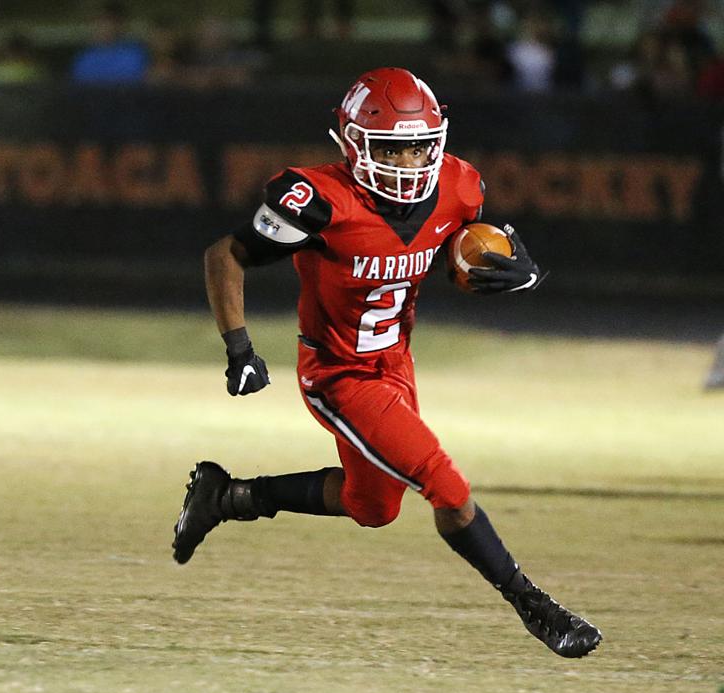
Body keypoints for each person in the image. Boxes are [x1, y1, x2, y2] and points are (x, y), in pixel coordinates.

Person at [171, 67, 601, 659]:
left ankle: (227, 497)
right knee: (445, 485)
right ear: (351, 144)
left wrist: (511, 270)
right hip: (339, 373)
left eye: (417, 147)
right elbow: (226, 254)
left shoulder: (459, 187)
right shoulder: (317, 201)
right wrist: (239, 347)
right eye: (390, 149)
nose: (405, 163)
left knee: (373, 508)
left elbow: (462, 257)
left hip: (395, 363)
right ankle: (535, 605)